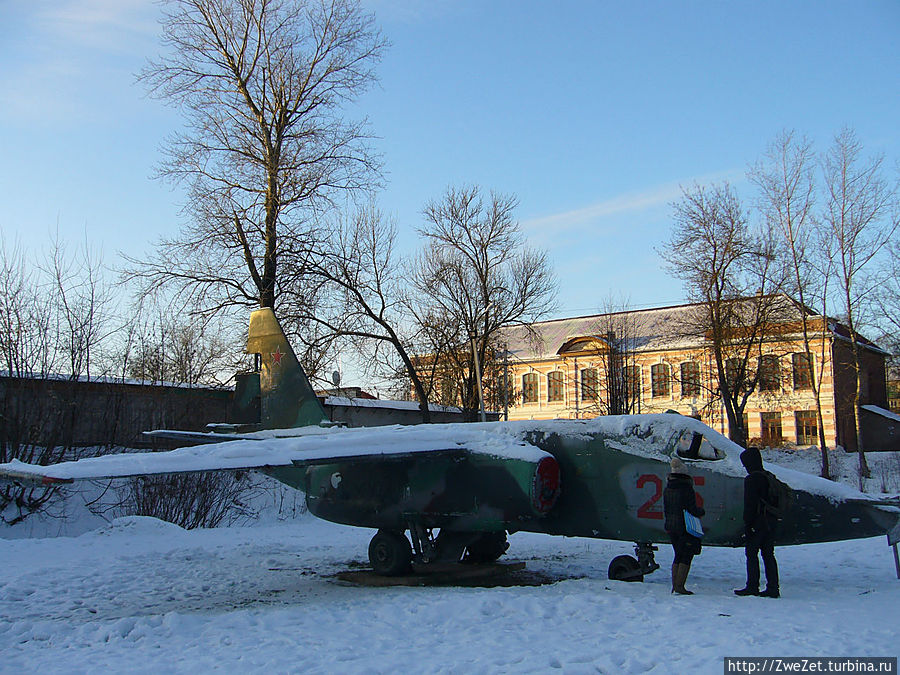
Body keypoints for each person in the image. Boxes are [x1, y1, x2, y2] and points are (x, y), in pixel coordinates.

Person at [734, 446, 780, 598]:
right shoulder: (768, 476)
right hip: (770, 520)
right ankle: (773, 587)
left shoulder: (752, 479)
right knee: (768, 554)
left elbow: (750, 505)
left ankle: (752, 585)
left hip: (757, 522)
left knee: (751, 554)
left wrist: (748, 524)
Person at [663, 455, 705, 595]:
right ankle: (680, 586)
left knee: (677, 555)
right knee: (686, 556)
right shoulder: (686, 489)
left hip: (671, 525)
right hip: (685, 527)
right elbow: (692, 509)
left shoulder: (668, 489)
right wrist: (701, 511)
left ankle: (675, 585)